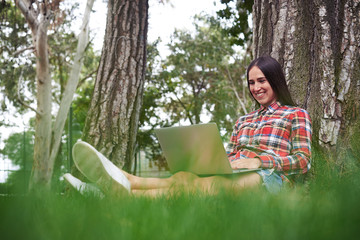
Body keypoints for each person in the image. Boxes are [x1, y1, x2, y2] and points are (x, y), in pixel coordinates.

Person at [64, 56, 312, 197]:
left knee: (207, 186)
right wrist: (208, 160)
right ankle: (118, 184)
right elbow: (231, 155)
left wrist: (260, 162)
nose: (256, 87)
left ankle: (117, 191)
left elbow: (303, 160)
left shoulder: (295, 114)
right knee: (184, 176)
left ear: (275, 80)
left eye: (262, 80)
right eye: (251, 82)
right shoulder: (243, 121)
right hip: (236, 173)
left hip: (270, 179)